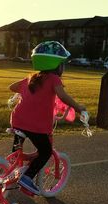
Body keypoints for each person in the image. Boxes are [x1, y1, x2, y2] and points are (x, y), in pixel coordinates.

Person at [9, 41, 86, 195]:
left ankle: (10, 168)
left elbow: (12, 87)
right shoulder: (53, 78)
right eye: (63, 64)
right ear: (57, 65)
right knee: (46, 151)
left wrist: (24, 91)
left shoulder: (32, 77)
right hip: (36, 125)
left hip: (17, 120)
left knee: (17, 148)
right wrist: (79, 108)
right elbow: (62, 96)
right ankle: (27, 177)